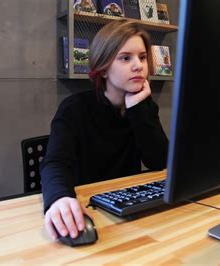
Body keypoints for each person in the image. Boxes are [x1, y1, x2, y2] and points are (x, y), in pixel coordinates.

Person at [41, 19, 168, 241]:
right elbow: (55, 163)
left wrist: (138, 110)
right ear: (104, 69)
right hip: (90, 208)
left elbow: (160, 161)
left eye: (142, 57)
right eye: (125, 58)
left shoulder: (144, 107)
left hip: (126, 211)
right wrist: (60, 198)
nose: (138, 65)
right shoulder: (75, 109)